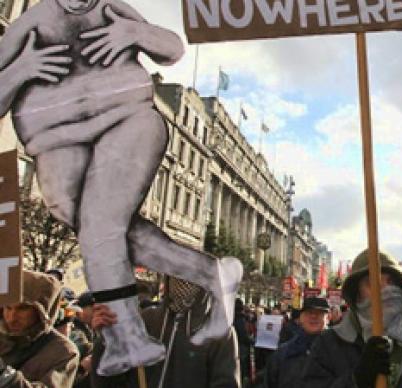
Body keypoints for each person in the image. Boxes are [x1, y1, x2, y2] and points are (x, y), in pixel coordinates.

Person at [0, 0, 242, 375]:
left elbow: (172, 48)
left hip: (126, 122)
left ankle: (128, 337)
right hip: (55, 143)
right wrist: (19, 71)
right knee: (91, 223)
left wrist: (135, 32)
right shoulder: (30, 23)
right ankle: (212, 273)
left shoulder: (111, 9)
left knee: (99, 225)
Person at [303, 250, 402, 388]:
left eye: (391, 282)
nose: (386, 290)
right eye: (373, 283)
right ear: (356, 295)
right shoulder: (329, 345)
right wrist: (356, 381)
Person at [90, 275, 241, 388]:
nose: (182, 282)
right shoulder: (146, 320)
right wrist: (107, 340)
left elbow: (226, 383)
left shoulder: (219, 331)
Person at [0, 270, 79, 387]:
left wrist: (6, 376)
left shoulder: (64, 351)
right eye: (8, 307)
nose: (12, 317)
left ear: (42, 312)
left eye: (23, 308)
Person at [265, 297, 330, 388]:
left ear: (328, 318)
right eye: (309, 312)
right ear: (301, 317)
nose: (313, 316)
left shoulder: (340, 352)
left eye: (319, 313)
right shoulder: (282, 354)